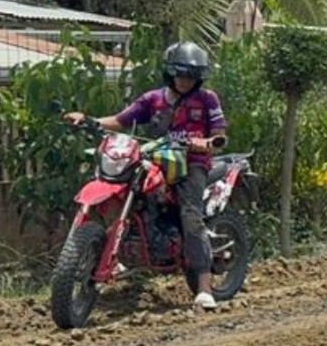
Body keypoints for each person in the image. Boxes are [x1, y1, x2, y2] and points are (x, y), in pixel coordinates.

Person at [67, 41, 228, 309]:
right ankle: (115, 255)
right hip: (154, 159)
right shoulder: (153, 99)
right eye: (180, 75)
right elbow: (121, 120)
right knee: (130, 195)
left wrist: (207, 143)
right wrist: (90, 120)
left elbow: (220, 134)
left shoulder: (207, 99)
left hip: (192, 164)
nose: (184, 81)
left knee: (191, 217)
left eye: (190, 77)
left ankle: (203, 287)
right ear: (170, 73)